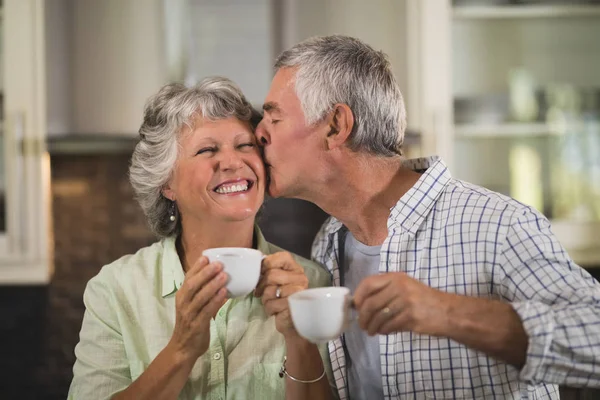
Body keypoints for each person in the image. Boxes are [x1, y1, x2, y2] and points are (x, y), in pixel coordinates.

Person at [255, 34, 600, 399]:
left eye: (273, 118)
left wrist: (447, 313)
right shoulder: (329, 242)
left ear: (336, 126)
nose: (258, 132)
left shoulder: (498, 225)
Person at [67, 77, 337, 400]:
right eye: (208, 149)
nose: (234, 162)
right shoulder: (115, 290)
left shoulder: (312, 284)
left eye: (245, 145)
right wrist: (180, 350)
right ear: (167, 184)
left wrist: (299, 340)